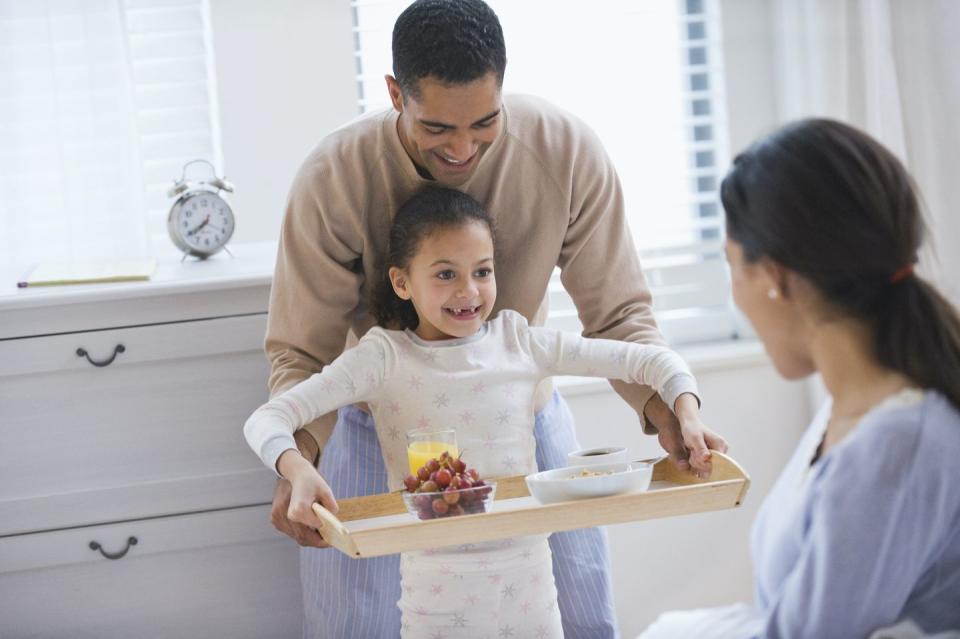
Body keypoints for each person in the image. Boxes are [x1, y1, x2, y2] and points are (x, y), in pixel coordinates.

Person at [264, 1, 727, 636]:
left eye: (484, 122)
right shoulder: (334, 177)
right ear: (396, 94)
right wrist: (299, 459)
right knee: (358, 623)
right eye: (436, 129)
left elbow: (620, 318)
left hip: (522, 421)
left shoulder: (564, 151)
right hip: (381, 430)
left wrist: (671, 408)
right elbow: (302, 356)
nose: (462, 149)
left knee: (580, 612)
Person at [247, 187, 711, 638]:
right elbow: (267, 420)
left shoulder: (520, 343)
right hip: (436, 606)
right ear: (401, 282)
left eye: (483, 271)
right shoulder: (383, 359)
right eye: (446, 274)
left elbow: (653, 361)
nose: (469, 291)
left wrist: (687, 414)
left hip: (530, 598)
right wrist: (298, 469)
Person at [639, 119, 960, 638]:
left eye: (731, 265)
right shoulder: (854, 412)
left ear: (775, 278)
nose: (734, 294)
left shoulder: (895, 445)